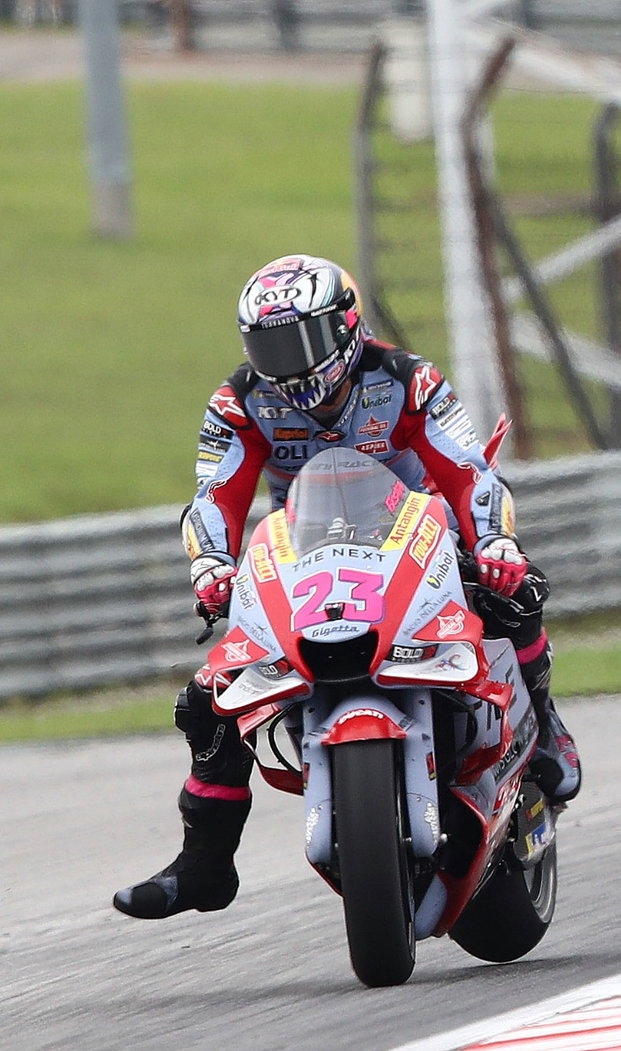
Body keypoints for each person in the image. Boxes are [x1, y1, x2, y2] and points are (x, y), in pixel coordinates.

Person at [114, 254, 581, 920]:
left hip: (420, 535)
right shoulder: (240, 400)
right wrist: (212, 563)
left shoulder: (408, 381)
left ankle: (548, 729)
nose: (287, 361)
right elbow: (215, 495)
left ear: (347, 325)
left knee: (514, 594)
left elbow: (470, 472)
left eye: (301, 341)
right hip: (309, 552)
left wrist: (494, 545)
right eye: (268, 344)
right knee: (205, 701)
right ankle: (205, 866)